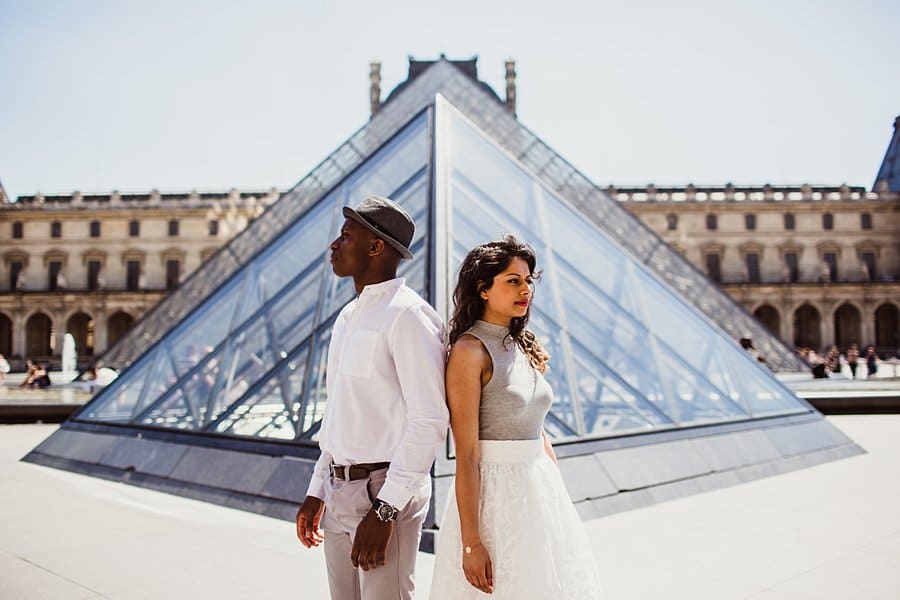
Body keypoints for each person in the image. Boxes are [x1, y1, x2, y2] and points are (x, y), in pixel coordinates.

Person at [430, 235, 602, 599]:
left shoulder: (522, 345)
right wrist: (471, 543)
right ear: (483, 289)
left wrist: (559, 501)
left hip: (539, 491)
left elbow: (539, 434)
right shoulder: (469, 351)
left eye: (529, 280)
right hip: (495, 498)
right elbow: (467, 455)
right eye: (513, 280)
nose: (526, 289)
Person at [295, 196, 449, 600]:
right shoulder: (348, 318)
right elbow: (339, 411)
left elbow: (429, 420)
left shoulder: (410, 317)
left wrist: (385, 510)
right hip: (340, 488)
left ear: (376, 247)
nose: (334, 245)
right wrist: (317, 489)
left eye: (346, 237)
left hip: (384, 492)